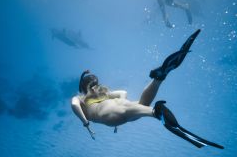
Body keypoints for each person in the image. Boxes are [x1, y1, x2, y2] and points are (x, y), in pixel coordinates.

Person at [71, 30, 223, 149]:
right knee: (142, 105)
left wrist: (85, 123)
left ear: (82, 87)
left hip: (111, 114)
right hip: (117, 107)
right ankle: (158, 78)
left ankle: (157, 111)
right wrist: (121, 103)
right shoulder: (103, 94)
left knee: (151, 111)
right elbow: (122, 93)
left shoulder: (81, 98)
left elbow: (74, 105)